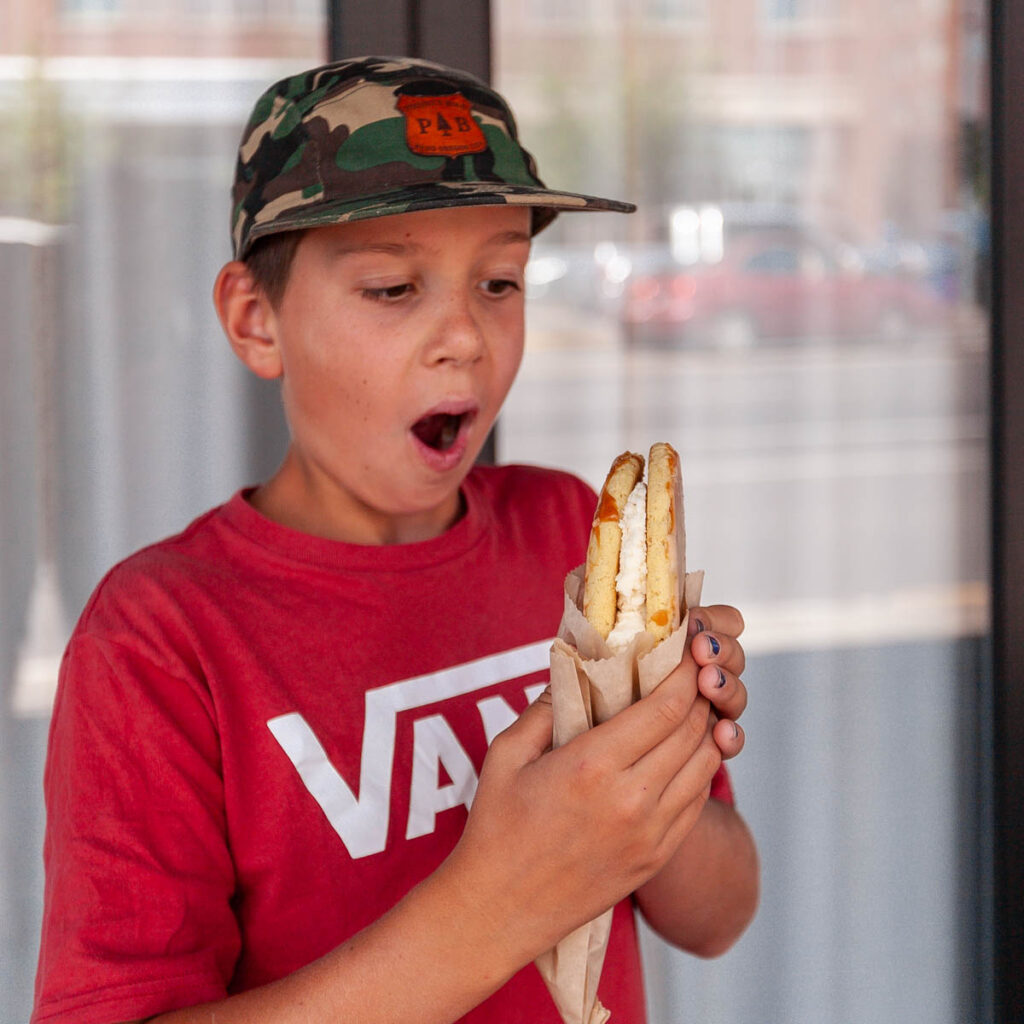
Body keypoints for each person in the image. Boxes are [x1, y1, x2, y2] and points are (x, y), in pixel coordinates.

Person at [31, 56, 758, 1024]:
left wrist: (656, 737)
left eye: (499, 281)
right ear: (256, 320)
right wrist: (498, 903)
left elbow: (718, 914)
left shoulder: (565, 529)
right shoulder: (161, 637)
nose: (465, 335)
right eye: (391, 288)